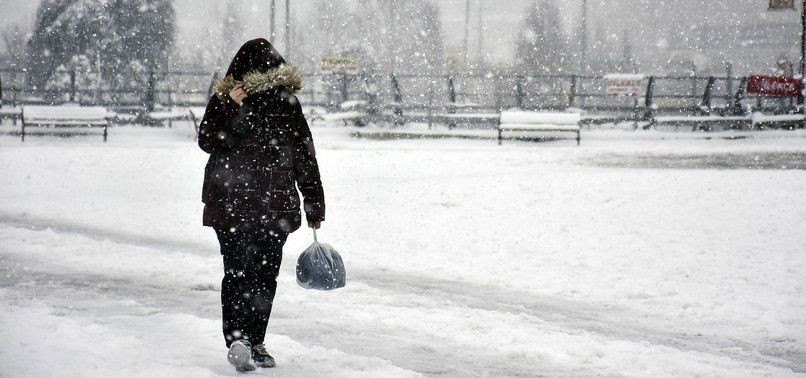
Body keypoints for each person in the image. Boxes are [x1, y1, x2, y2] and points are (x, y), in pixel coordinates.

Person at [197, 38, 325, 372]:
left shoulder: (284, 103)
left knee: (245, 274)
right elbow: (208, 141)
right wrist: (230, 106)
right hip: (249, 204)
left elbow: (302, 153)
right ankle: (245, 341)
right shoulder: (229, 99)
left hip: (254, 204)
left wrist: (314, 202)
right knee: (259, 276)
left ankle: (247, 340)